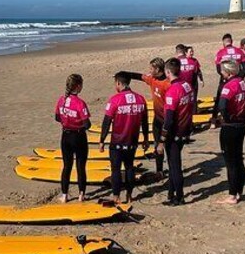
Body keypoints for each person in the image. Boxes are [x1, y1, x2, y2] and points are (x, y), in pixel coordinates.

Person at [99, 72, 149, 204]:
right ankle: (129, 195)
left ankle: (116, 196)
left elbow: (106, 121)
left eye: (115, 83)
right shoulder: (140, 99)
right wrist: (146, 138)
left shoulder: (115, 99)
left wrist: (102, 140)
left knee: (115, 169)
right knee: (129, 167)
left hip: (117, 142)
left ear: (119, 83)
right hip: (132, 141)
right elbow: (145, 120)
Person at [124, 58, 170, 179]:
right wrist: (124, 74)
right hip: (157, 120)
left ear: (158, 70)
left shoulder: (168, 83)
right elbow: (139, 76)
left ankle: (174, 169)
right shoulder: (152, 79)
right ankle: (159, 171)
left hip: (168, 121)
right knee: (157, 145)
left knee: (168, 146)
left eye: (151, 68)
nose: (149, 71)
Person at [159, 58, 194, 206]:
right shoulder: (187, 85)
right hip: (185, 128)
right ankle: (171, 193)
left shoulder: (172, 91)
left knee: (174, 166)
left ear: (167, 72)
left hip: (175, 132)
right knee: (174, 163)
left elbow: (169, 118)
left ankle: (179, 197)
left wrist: (162, 139)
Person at [216, 59, 245, 205]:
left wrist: (225, 117)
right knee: (238, 158)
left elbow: (222, 105)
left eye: (222, 70)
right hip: (241, 123)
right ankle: (238, 190)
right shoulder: (243, 83)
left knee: (230, 161)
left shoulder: (228, 86)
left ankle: (232, 195)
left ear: (228, 72)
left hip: (230, 125)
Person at [54, 74, 91, 203]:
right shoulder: (80, 103)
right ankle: (81, 195)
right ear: (78, 86)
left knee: (67, 166)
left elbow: (57, 117)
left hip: (65, 136)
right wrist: (78, 124)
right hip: (78, 136)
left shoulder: (61, 100)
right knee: (81, 166)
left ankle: (64, 195)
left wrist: (67, 122)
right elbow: (87, 124)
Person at [211, 34, 245, 121]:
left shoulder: (221, 52)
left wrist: (225, 76)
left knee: (220, 97)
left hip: (225, 77)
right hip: (236, 77)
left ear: (224, 42)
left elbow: (218, 69)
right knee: (239, 96)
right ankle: (239, 114)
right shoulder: (239, 51)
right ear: (232, 41)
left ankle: (214, 119)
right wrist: (240, 76)